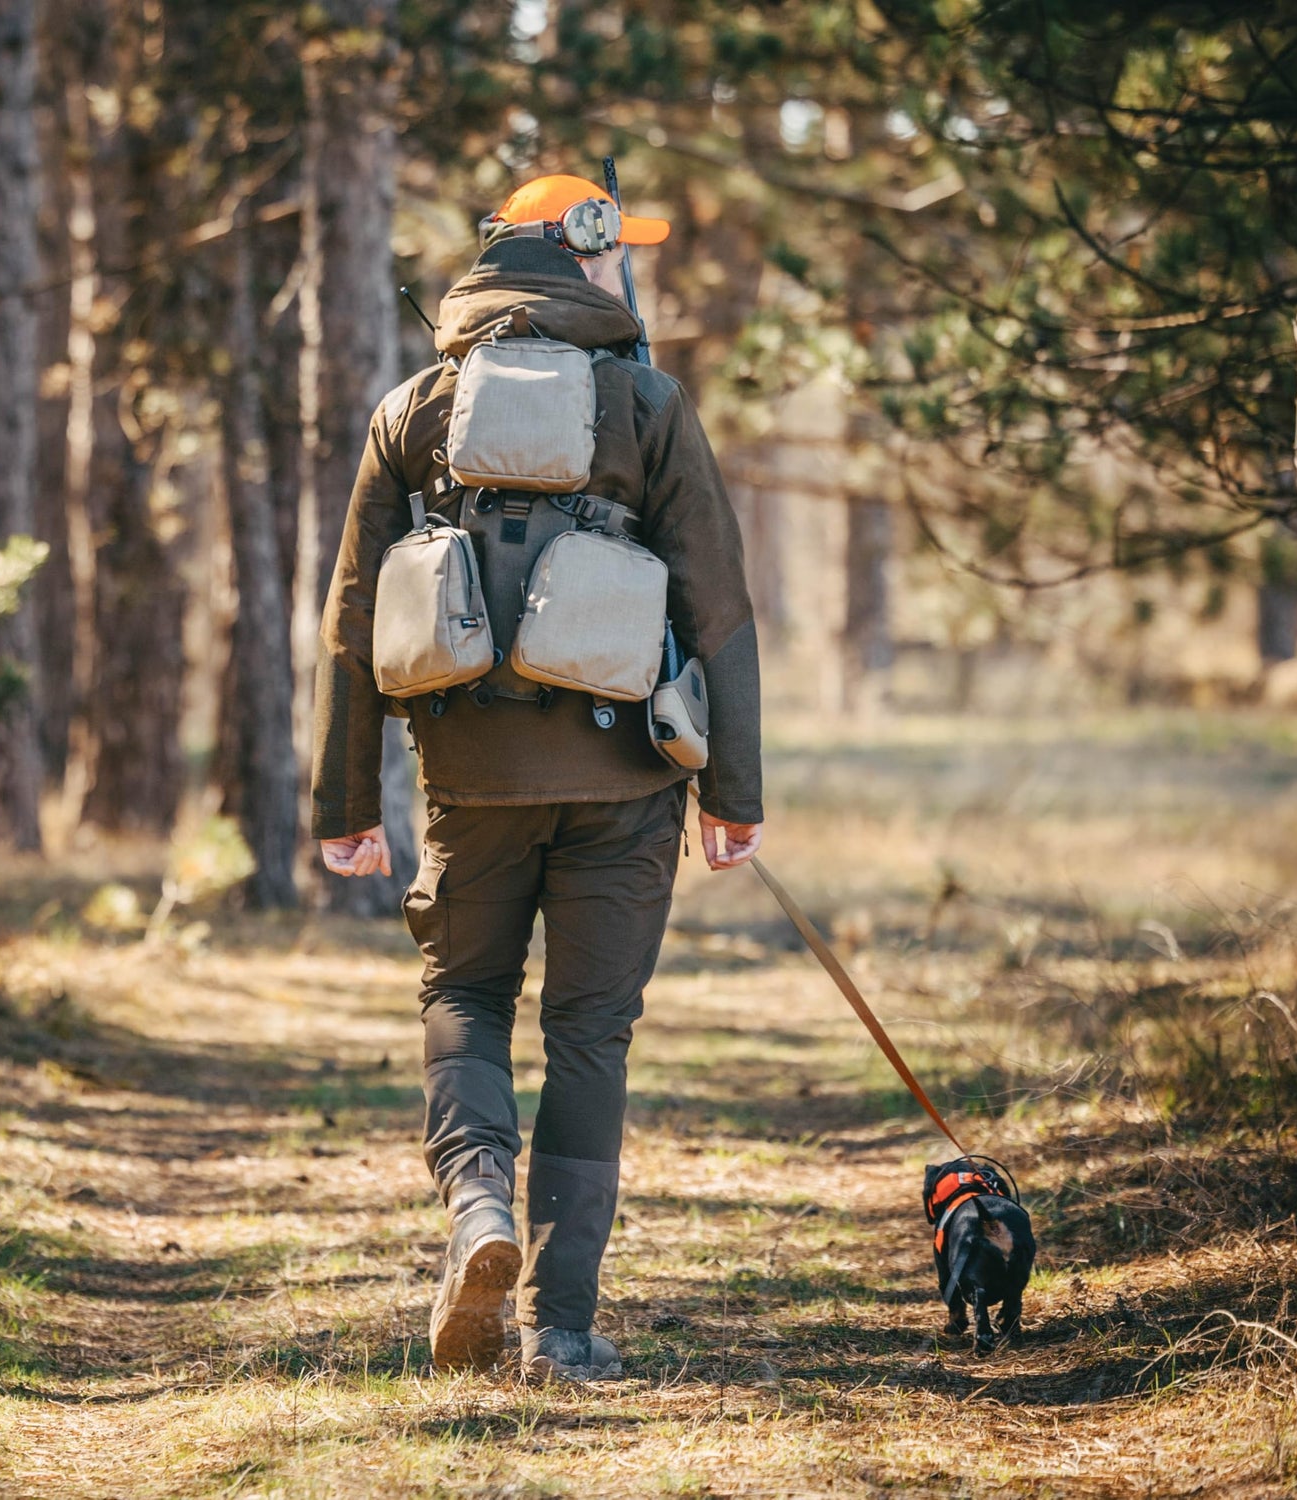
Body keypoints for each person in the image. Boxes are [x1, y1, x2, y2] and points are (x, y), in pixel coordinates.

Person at [312, 173, 764, 1381]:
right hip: (625, 787)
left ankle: (478, 1215)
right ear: (585, 254)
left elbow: (356, 616)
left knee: (464, 996)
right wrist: (736, 794)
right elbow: (721, 611)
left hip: (468, 773)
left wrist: (343, 804)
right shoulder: (650, 403)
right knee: (591, 1034)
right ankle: (559, 1324)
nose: (633, 275)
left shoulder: (416, 406)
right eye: (625, 255)